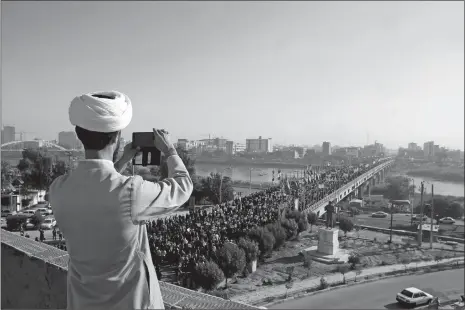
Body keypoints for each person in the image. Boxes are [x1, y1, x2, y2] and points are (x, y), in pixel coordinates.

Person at [49, 91, 193, 310]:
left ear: (79, 134)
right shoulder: (131, 191)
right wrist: (169, 150)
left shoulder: (59, 189)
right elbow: (183, 187)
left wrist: (124, 160)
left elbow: (98, 187)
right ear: (116, 138)